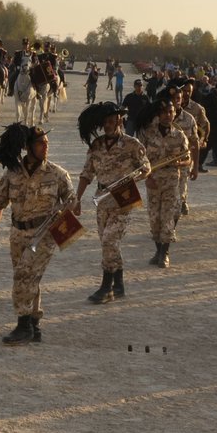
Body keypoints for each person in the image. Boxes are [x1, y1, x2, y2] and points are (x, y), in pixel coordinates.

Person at [0, 122, 75, 346]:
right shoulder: (12, 174)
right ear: (28, 147)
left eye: (46, 143)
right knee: (29, 279)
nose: (45, 146)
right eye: (40, 143)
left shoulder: (57, 174)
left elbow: (72, 202)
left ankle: (23, 325)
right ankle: (35, 324)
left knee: (23, 276)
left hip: (44, 235)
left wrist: (64, 215)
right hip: (18, 234)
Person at [75, 102, 150, 304]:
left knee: (110, 240)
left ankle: (106, 287)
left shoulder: (132, 144)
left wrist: (131, 179)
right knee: (108, 244)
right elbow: (86, 174)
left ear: (119, 120)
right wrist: (77, 198)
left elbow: (146, 168)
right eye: (104, 122)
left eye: (110, 121)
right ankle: (119, 283)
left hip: (124, 199)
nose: (107, 125)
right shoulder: (96, 146)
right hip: (102, 198)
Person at [134, 96, 191, 268]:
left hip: (172, 181)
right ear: (158, 115)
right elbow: (139, 158)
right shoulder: (148, 133)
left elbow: (188, 159)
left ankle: (164, 253)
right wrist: (148, 177)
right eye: (164, 112)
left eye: (171, 112)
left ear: (174, 114)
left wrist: (179, 163)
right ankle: (158, 250)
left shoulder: (179, 135)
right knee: (154, 219)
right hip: (153, 181)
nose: (168, 115)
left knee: (167, 217)